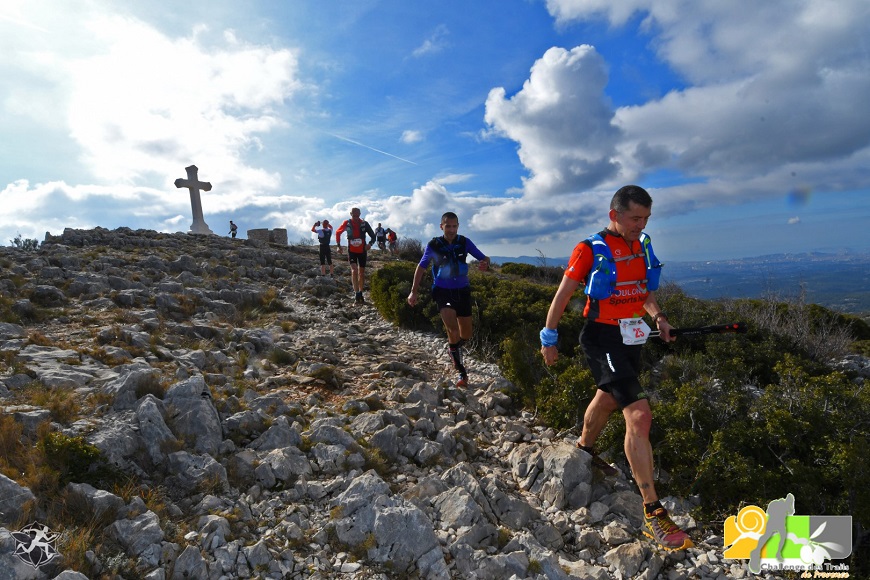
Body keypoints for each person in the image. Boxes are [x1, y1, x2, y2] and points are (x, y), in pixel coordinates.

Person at [539, 185, 693, 552]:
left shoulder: (641, 245)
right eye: (635, 218)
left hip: (631, 336)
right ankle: (653, 512)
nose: (641, 225)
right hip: (601, 338)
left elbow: (643, 291)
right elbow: (563, 294)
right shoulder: (589, 249)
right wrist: (549, 337)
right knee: (638, 415)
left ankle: (584, 449)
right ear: (615, 215)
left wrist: (660, 319)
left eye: (646, 219)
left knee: (608, 397)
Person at [407, 212, 490, 387]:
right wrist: (413, 292)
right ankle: (462, 372)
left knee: (466, 334)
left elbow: (483, 258)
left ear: (458, 226)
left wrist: (485, 263)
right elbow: (421, 267)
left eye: (454, 226)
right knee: (452, 330)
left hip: (462, 290)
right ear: (441, 226)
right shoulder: (434, 245)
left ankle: (453, 349)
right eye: (448, 226)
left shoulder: (464, 242)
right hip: (442, 291)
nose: (451, 230)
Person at [336, 208, 376, 303]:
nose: (356, 217)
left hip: (362, 251)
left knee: (361, 273)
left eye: (358, 215)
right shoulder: (347, 223)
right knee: (354, 271)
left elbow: (373, 236)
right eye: (354, 215)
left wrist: (370, 244)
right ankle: (356, 293)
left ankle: (361, 293)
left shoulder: (364, 224)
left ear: (360, 214)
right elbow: (338, 232)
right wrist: (338, 246)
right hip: (352, 251)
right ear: (351, 214)